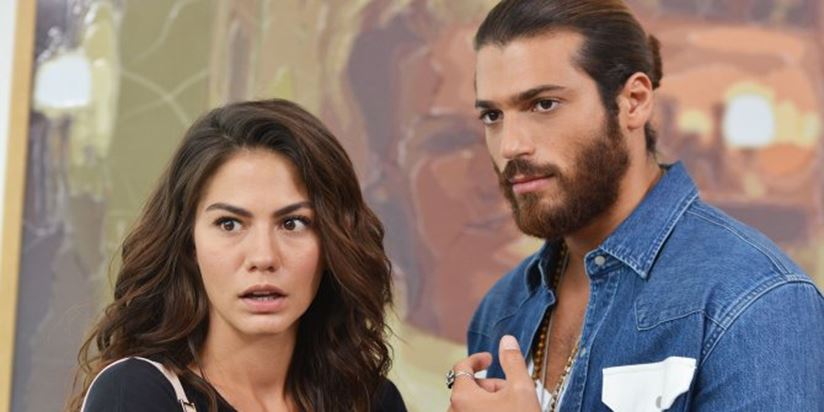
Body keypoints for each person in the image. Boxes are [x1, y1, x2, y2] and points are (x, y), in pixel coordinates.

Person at [448, 0, 824, 411]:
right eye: (492, 115)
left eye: (544, 104)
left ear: (634, 101)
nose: (510, 145)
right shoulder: (501, 309)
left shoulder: (755, 300)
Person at [67, 99, 407, 411]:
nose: (263, 257)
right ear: (189, 243)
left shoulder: (372, 401)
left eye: (293, 223)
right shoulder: (137, 392)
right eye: (229, 224)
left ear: (333, 241)